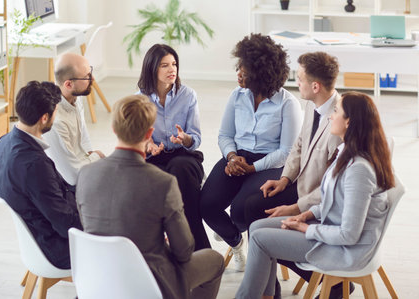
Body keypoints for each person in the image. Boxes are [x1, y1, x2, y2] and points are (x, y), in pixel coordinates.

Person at [236, 91, 395, 299]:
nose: (330, 116)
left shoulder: (359, 169)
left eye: (336, 111)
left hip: (345, 248)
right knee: (257, 226)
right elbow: (333, 201)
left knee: (259, 240)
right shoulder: (346, 151)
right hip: (329, 227)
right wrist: (306, 215)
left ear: (349, 122)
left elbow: (349, 234)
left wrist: (305, 228)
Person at [76, 95, 224, 299]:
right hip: (148, 283)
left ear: (113, 129)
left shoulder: (86, 174)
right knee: (215, 260)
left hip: (98, 277)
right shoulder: (163, 182)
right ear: (150, 133)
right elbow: (183, 251)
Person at [200, 33, 302, 271]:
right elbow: (225, 135)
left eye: (244, 70)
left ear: (260, 74)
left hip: (269, 164)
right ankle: (235, 241)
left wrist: (253, 167)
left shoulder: (288, 104)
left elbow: (286, 152)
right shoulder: (236, 96)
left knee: (240, 209)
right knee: (206, 204)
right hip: (238, 157)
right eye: (239, 68)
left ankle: (252, 249)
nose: (239, 74)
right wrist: (232, 157)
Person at [0, 81, 82, 269]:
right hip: (56, 247)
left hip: (36, 233)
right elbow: (64, 223)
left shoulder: (2, 142)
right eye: (56, 113)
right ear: (44, 118)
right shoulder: (34, 165)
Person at [137, 44, 210, 250]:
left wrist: (185, 138)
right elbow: (136, 138)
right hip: (154, 158)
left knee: (180, 169)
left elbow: (195, 138)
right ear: (152, 69)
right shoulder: (139, 98)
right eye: (164, 65)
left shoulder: (187, 95)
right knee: (158, 179)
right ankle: (170, 249)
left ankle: (198, 249)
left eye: (174, 64)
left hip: (183, 155)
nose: (172, 70)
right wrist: (147, 144)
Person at [43, 52, 105, 186]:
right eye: (87, 76)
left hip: (83, 166)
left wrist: (92, 157)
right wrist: (97, 156)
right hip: (65, 184)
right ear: (68, 84)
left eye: (90, 72)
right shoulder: (55, 121)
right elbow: (72, 177)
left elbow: (84, 141)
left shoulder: (75, 98)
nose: (93, 79)